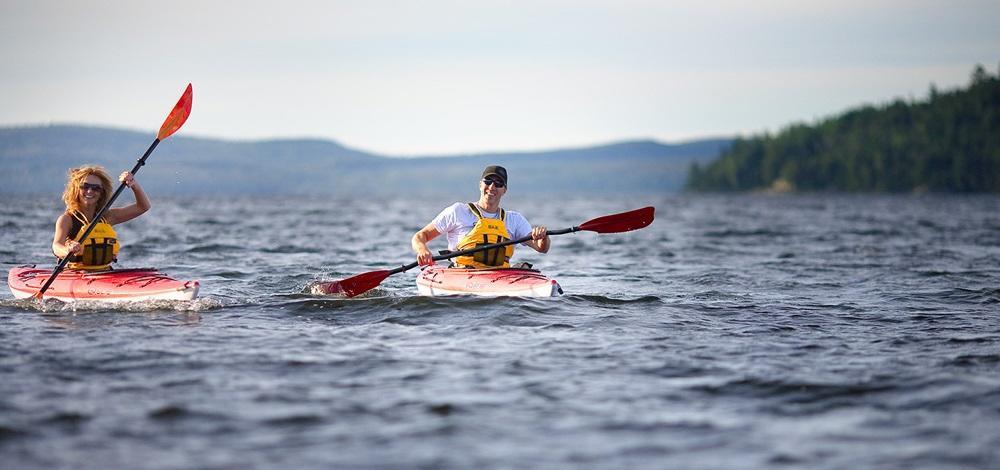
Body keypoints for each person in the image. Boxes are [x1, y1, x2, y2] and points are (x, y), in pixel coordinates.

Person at [412, 165, 549, 269]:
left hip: (501, 276)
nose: (492, 186)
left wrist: (543, 237)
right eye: (488, 181)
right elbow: (420, 236)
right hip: (462, 273)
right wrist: (422, 250)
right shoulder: (458, 211)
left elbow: (541, 248)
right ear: (480, 185)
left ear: (504, 190)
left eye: (498, 183)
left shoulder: (515, 220)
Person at [51, 165, 151, 271]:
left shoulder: (107, 217)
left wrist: (134, 184)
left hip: (105, 272)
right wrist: (67, 250)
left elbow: (143, 207)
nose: (90, 191)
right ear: (76, 189)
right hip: (76, 273)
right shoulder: (67, 219)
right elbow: (56, 246)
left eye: (96, 188)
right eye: (85, 186)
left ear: (101, 193)